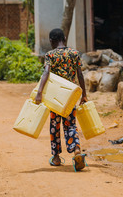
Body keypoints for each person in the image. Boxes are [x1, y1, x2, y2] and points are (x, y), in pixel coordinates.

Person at [34, 28, 88, 171]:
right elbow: (80, 75)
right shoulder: (74, 53)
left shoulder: (50, 55)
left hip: (55, 98)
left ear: (51, 41)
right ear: (64, 38)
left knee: (55, 126)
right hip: (70, 97)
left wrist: (39, 92)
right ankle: (76, 149)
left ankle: (56, 158)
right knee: (71, 125)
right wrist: (84, 95)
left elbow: (46, 72)